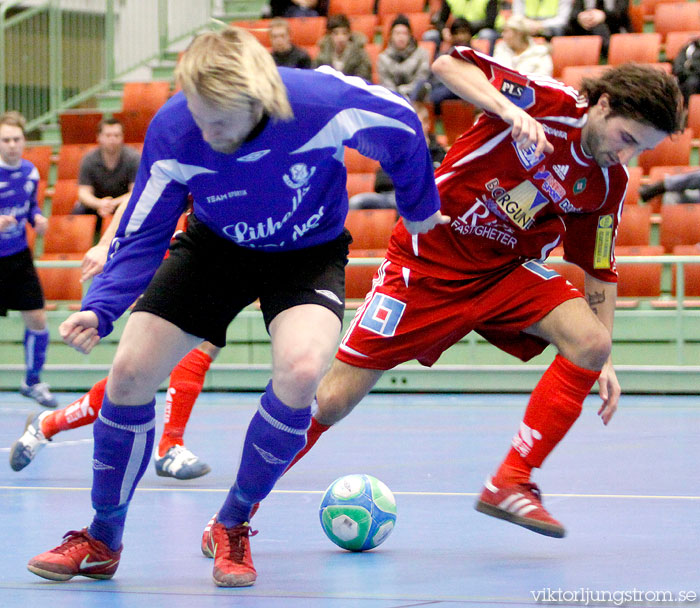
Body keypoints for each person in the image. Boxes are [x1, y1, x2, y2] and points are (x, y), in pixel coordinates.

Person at [26, 25, 446, 587]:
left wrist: (420, 213)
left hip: (306, 254)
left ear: (260, 99)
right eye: (198, 115)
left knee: (301, 373)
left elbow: (403, 126)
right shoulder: (177, 126)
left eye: (219, 120)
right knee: (127, 375)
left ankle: (233, 522)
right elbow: (145, 228)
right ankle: (102, 538)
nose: (206, 129)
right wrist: (100, 308)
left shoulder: (319, 102)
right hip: (214, 249)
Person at [207, 51, 683, 544]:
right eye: (626, 139)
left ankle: (511, 481)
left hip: (502, 274)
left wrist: (601, 355)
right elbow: (447, 66)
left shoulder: (608, 182)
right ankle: (233, 515)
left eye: (639, 149)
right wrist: (507, 108)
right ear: (602, 106)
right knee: (329, 401)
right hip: (426, 265)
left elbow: (597, 270)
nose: (624, 155)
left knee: (589, 341)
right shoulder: (544, 102)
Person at [10, 202, 217, 479]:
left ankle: (48, 424)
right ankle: (169, 444)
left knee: (196, 348)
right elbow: (138, 195)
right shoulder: (182, 162)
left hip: (217, 257)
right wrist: (104, 243)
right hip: (170, 255)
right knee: (142, 369)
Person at [0, 111, 57, 409]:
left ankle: (32, 381)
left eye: (16, 139)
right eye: (5, 139)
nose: (11, 145)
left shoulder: (30, 172)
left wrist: (38, 219)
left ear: (24, 140)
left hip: (19, 258)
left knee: (37, 319)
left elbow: (32, 206)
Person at [350, 101, 447, 209]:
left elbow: (440, 183)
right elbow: (381, 181)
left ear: (427, 124)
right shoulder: (395, 149)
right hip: (394, 196)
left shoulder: (439, 153)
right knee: (357, 202)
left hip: (423, 200)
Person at [72, 117, 140, 234]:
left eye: (116, 135)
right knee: (78, 212)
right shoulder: (89, 159)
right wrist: (100, 203)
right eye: (108, 135)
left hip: (123, 205)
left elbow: (135, 192)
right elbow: (83, 193)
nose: (112, 139)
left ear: (122, 137)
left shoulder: (133, 158)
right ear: (99, 137)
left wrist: (113, 203)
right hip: (97, 205)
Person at [377, 14, 432, 101]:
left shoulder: (422, 54)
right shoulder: (383, 58)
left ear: (410, 36)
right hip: (392, 99)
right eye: (397, 33)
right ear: (391, 36)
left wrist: (404, 90)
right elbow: (385, 83)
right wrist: (396, 94)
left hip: (416, 98)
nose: (401, 37)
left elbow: (421, 79)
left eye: (404, 33)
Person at [427, 18, 474, 113]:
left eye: (464, 33)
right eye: (457, 33)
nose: (461, 37)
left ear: (470, 35)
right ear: (452, 36)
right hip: (447, 88)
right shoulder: (444, 55)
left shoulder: (478, 56)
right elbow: (435, 79)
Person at [425, 0, 501, 52]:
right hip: (457, 32)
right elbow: (440, 20)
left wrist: (467, 31)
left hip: (478, 31)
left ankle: (488, 66)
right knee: (430, 35)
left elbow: (490, 22)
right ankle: (434, 68)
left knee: (487, 34)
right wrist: (444, 30)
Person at [315, 14, 372, 82]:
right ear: (329, 35)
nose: (341, 38)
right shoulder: (322, 53)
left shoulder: (359, 53)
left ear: (349, 34)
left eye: (344, 33)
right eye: (336, 33)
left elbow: (364, 78)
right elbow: (317, 76)